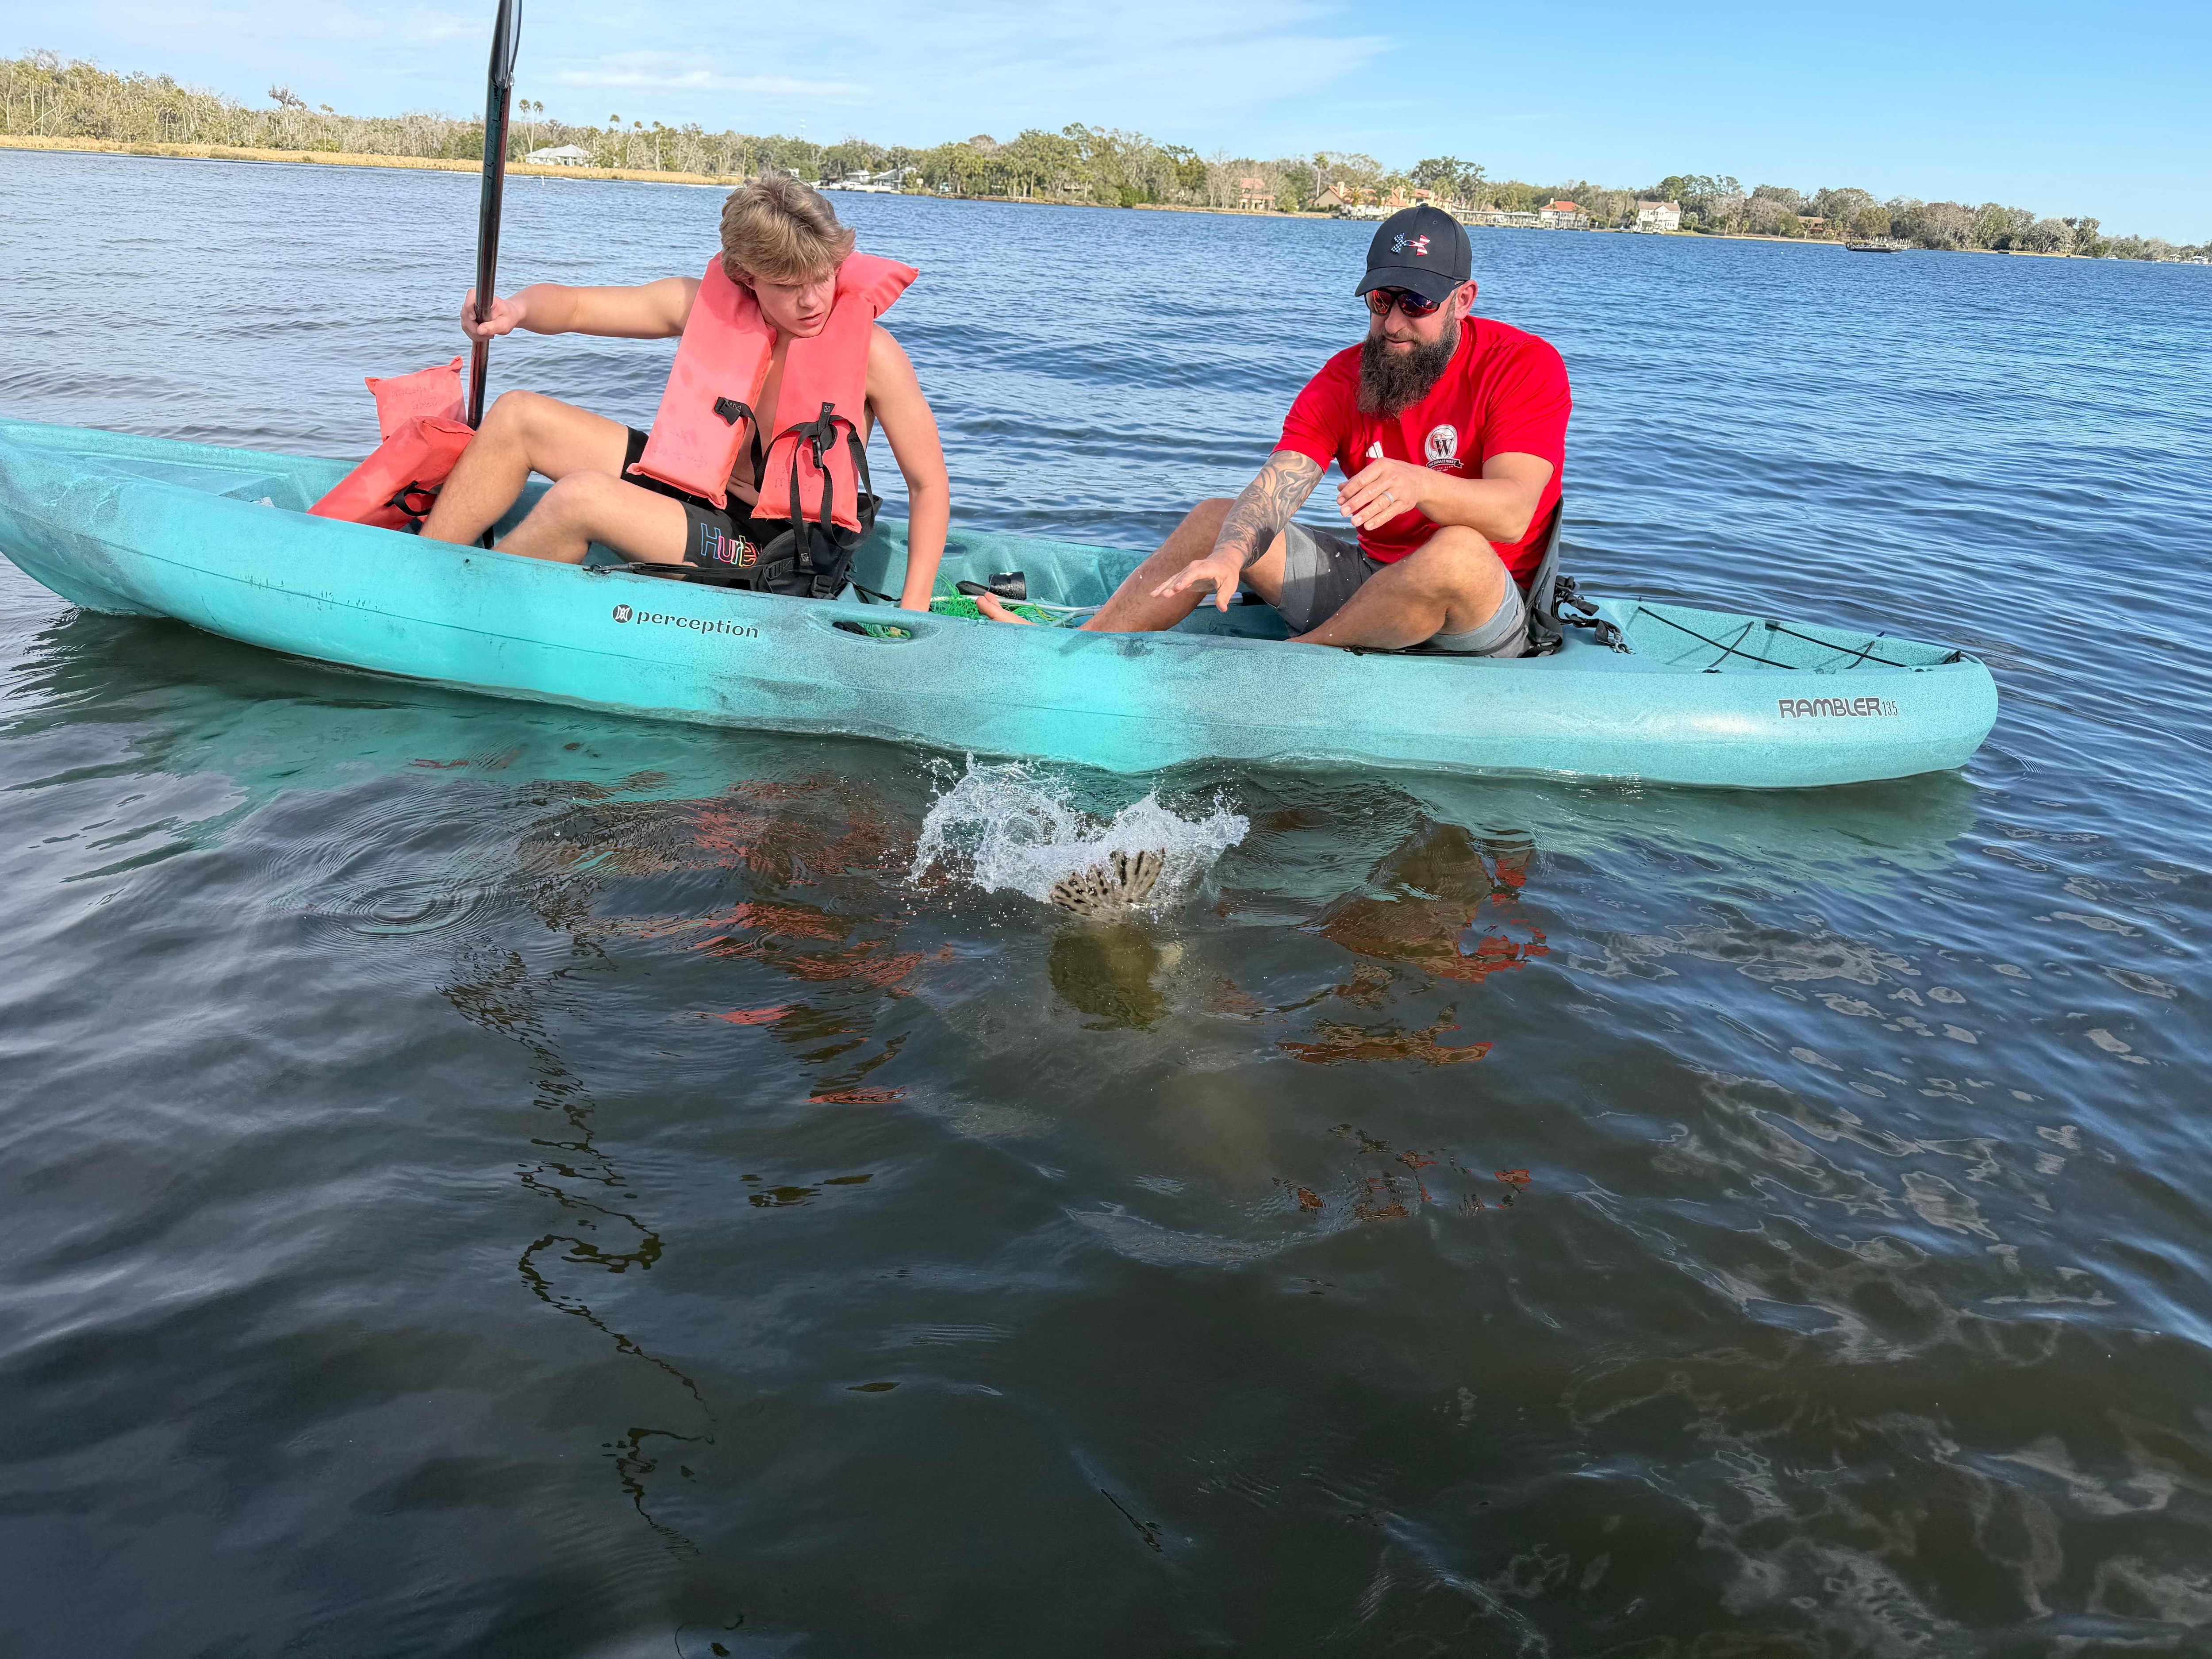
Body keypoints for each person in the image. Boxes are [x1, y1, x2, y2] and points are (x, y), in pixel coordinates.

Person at [975, 204, 1568, 653]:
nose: (1392, 323)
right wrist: (1232, 555)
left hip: (1481, 609)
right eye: (1381, 300)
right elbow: (1276, 487)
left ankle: (1289, 666)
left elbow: (1514, 511)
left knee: (1458, 550)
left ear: (1463, 300)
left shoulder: (1524, 365)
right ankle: (1080, 654)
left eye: (1416, 303)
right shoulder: (1344, 379)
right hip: (1372, 585)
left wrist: (1422, 486)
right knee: (1219, 516)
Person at [420, 176, 950, 609]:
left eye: (823, 277)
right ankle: (417, 575)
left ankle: (462, 611)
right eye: (788, 285)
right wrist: (515, 311)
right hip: (700, 494)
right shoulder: (705, 304)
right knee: (517, 415)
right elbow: (580, 307)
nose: (812, 301)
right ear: (745, 276)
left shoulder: (872, 355)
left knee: (580, 498)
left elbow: (928, 486)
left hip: (778, 552)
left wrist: (914, 612)